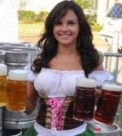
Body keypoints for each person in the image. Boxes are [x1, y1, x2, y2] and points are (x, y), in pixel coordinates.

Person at [23, 1, 113, 136]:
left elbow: (101, 110)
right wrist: (12, 96)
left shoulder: (91, 62)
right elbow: (29, 108)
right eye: (58, 23)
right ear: (52, 27)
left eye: (71, 23)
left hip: (77, 133)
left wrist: (100, 99)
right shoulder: (41, 61)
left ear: (80, 26)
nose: (64, 28)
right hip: (39, 132)